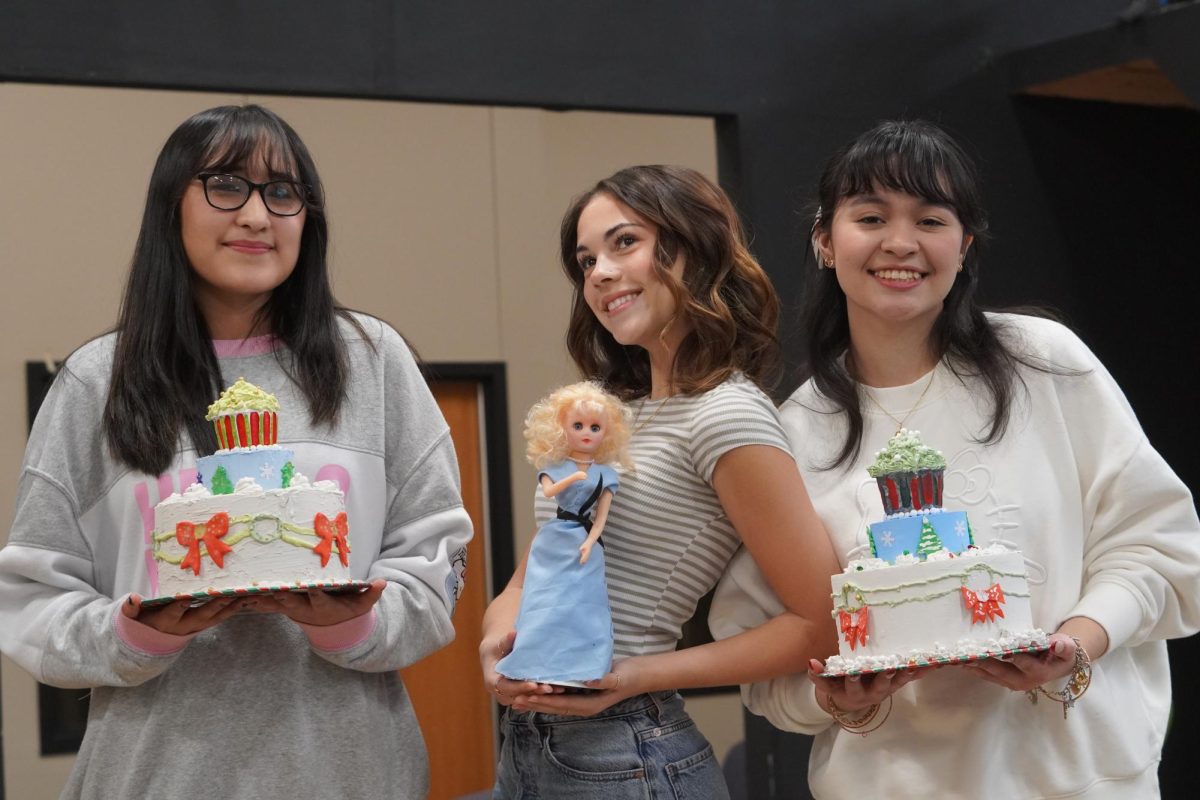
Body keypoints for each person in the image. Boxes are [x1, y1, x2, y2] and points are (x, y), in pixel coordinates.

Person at [709, 119, 1200, 798]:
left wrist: (1077, 643)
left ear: (965, 245)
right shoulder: (791, 435)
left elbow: (1160, 544)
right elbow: (765, 659)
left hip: (1085, 781)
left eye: (931, 219)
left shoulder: (1044, 363)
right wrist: (839, 697)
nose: (901, 243)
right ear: (825, 239)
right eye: (871, 216)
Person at [0, 104, 473, 799]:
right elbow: (32, 600)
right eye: (226, 184)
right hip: (152, 778)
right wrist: (134, 634)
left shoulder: (372, 363)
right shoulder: (96, 381)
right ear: (172, 206)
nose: (257, 215)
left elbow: (437, 569)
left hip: (353, 776)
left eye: (282, 192)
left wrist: (356, 620)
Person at [480, 165, 840, 799]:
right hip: (530, 743)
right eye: (585, 260)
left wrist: (638, 674)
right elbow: (529, 574)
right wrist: (495, 644)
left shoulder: (727, 413)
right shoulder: (614, 410)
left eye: (624, 243)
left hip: (628, 747)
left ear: (693, 248)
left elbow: (821, 623)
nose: (599, 274)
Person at [495, 381, 632, 685]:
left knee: (585, 604)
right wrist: (572, 478)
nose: (586, 432)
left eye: (595, 427)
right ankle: (533, 658)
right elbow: (548, 493)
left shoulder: (606, 475)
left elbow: (600, 519)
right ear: (561, 428)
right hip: (553, 538)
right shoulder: (554, 467)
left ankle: (584, 663)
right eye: (578, 425)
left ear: (607, 433)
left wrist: (591, 542)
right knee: (544, 596)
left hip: (586, 543)